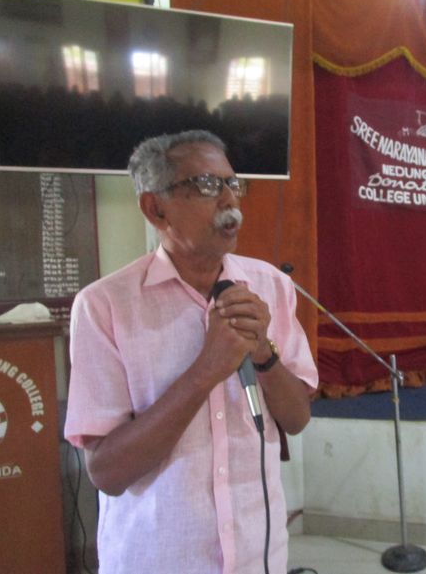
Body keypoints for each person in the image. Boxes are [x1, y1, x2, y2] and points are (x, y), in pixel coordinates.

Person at [64, 130, 318, 574]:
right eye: (205, 185)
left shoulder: (270, 286)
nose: (228, 200)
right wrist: (206, 370)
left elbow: (296, 420)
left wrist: (263, 352)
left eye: (232, 183)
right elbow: (106, 472)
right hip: (157, 558)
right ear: (154, 208)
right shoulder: (104, 306)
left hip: (257, 555)